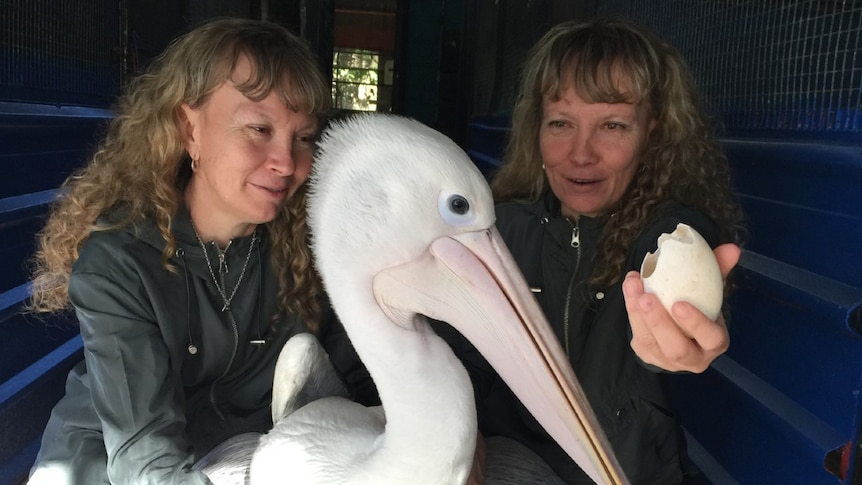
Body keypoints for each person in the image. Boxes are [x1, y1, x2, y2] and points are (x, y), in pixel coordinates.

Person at [25, 17, 330, 484]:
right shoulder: (120, 261)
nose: (287, 163)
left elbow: (363, 379)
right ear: (190, 130)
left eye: (303, 137)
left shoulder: (309, 249)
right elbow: (144, 456)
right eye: (259, 129)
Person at [443, 17, 744, 484]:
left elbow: (674, 279)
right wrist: (463, 439)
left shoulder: (666, 233)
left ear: (652, 133)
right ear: (536, 129)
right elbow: (464, 360)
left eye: (613, 125)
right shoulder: (500, 232)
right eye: (561, 123)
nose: (581, 153)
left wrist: (674, 341)